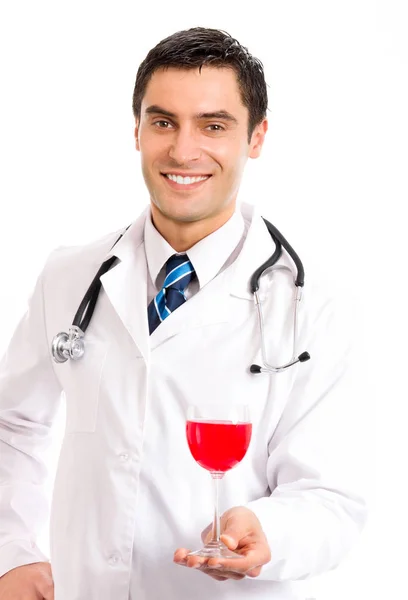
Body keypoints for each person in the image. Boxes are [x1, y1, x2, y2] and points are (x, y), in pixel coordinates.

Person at [0, 27, 367, 600]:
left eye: (214, 125)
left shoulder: (308, 303)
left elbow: (333, 499)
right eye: (163, 121)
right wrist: (13, 553)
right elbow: (13, 425)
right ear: (138, 131)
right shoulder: (70, 276)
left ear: (256, 137)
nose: (183, 150)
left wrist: (270, 532)